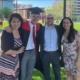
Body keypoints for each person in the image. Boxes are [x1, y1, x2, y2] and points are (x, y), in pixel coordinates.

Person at [0, 13, 25, 80]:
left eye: (18, 21)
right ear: (10, 22)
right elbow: (6, 50)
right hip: (6, 61)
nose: (16, 24)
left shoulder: (20, 31)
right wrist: (18, 51)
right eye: (13, 21)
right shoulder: (7, 32)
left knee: (15, 77)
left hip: (15, 61)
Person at [39, 14, 61, 80]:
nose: (50, 19)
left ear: (54, 19)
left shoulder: (58, 28)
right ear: (46, 19)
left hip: (55, 54)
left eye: (51, 18)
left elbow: (68, 28)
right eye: (48, 18)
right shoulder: (41, 29)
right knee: (46, 74)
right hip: (45, 54)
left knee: (57, 73)